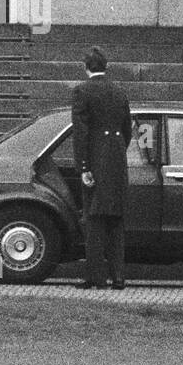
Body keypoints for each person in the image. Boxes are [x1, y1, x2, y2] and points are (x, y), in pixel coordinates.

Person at [71, 46, 133, 290]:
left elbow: (81, 132)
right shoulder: (119, 91)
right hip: (117, 159)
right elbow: (127, 129)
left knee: (94, 220)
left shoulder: (82, 91)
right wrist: (116, 151)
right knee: (116, 221)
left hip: (95, 159)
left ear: (86, 67)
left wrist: (84, 166)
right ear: (106, 67)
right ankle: (118, 277)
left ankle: (96, 277)